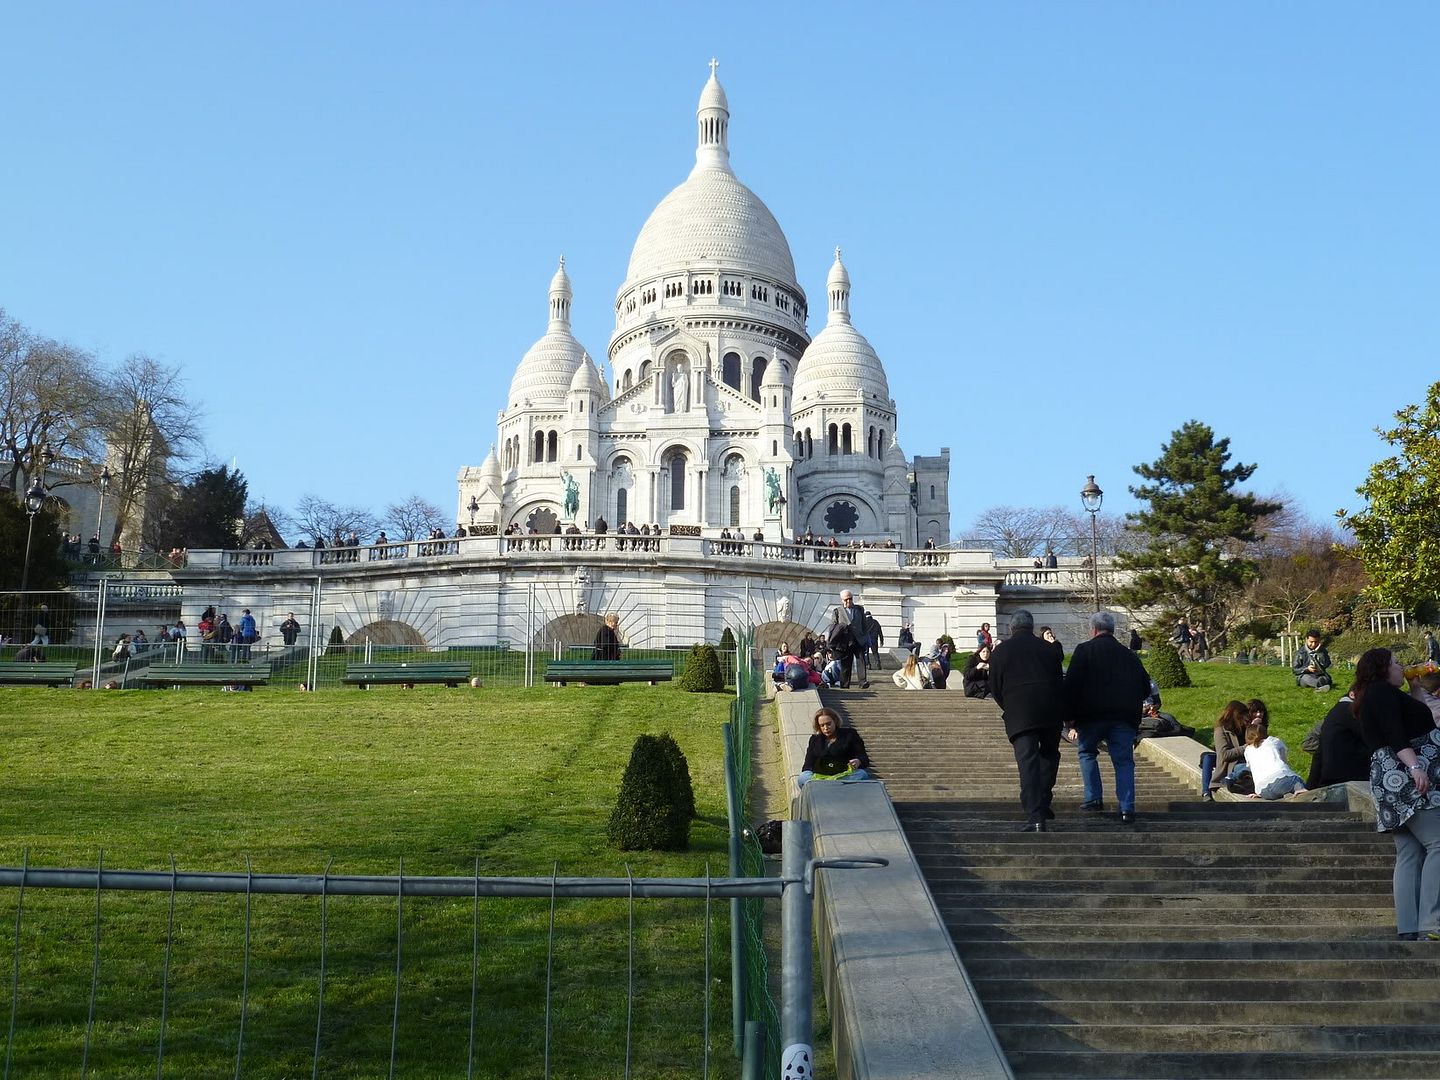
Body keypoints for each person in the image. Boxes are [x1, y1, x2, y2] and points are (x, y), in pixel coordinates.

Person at [1355, 647, 1440, 940]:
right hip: (1402, 777)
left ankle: (1410, 926)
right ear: (1381, 668)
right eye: (1395, 662)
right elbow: (1394, 733)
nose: (1400, 666)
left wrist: (1415, 689)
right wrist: (1415, 767)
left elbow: (1415, 719)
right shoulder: (1381, 693)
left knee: (1409, 851)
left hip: (1392, 778)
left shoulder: (1382, 694)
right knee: (1438, 842)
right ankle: (1432, 922)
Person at [1064, 610, 1152, 823]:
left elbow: (1071, 686)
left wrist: (1069, 718)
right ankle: (1126, 807)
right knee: (1123, 762)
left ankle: (1093, 798)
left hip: (1090, 716)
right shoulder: (1128, 655)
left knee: (1087, 753)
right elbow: (1145, 687)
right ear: (1112, 630)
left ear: (1093, 629)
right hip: (1123, 718)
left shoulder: (1084, 650)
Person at [989, 610, 1065, 831]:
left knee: (1028, 763)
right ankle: (1043, 801)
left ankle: (1035, 815)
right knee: (1050, 755)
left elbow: (995, 687)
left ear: (1011, 628)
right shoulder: (1049, 649)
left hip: (1020, 713)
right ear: (1032, 627)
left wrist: (1009, 706)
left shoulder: (1001, 652)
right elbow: (1058, 680)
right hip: (1050, 711)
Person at [1306, 690, 1371, 788]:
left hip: (1331, 781)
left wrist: (1310, 786)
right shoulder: (1350, 712)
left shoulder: (1337, 711)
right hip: (1350, 780)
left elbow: (1319, 753)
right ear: (1352, 695)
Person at [797, 707, 871, 786]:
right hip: (820, 777)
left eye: (828, 724)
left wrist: (858, 761)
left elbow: (864, 758)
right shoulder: (815, 740)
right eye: (822, 725)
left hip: (843, 776)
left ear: (835, 721)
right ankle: (830, 785)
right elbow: (807, 766)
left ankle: (827, 785)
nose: (826, 728)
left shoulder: (850, 735)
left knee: (862, 774)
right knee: (803, 777)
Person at [1243, 720, 1307, 799]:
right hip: (1280, 781)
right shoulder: (1273, 741)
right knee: (1296, 779)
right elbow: (1284, 762)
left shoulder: (1247, 750)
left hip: (1262, 790)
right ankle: (1302, 790)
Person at [1202, 700, 1253, 797]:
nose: (1246, 718)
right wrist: (1245, 748)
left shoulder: (1246, 727)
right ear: (1235, 715)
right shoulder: (1221, 731)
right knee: (1242, 768)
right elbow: (1224, 754)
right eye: (1243, 715)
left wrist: (1255, 728)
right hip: (1233, 765)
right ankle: (1207, 792)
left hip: (1248, 760)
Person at [826, 590, 869, 689]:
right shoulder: (837, 611)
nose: (848, 601)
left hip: (858, 639)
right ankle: (844, 685)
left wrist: (864, 636)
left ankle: (863, 682)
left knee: (861, 660)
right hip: (845, 642)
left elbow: (864, 625)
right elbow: (833, 626)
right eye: (846, 599)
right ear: (842, 600)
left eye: (850, 599)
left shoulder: (860, 609)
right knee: (846, 664)